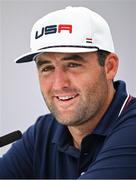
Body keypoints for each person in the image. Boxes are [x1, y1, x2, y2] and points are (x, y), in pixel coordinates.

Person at [0, 6, 136, 179]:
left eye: (72, 64)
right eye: (47, 68)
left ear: (109, 67)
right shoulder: (44, 131)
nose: (58, 84)